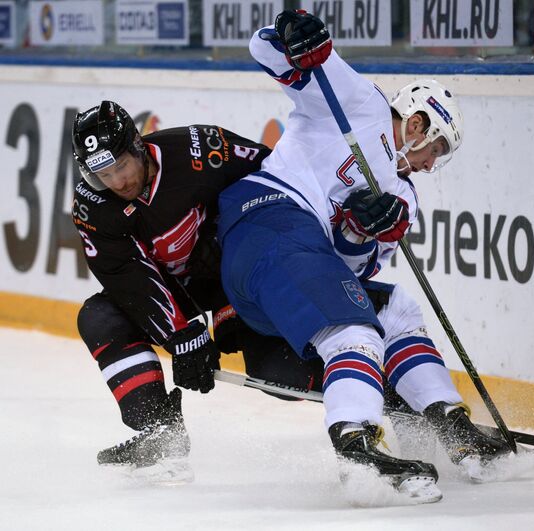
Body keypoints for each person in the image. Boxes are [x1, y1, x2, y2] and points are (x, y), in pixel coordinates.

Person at [216, 10, 511, 501]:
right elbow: (264, 50)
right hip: (265, 223)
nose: (431, 164)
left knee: (395, 309)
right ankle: (357, 446)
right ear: (417, 123)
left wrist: (357, 232)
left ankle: (451, 423)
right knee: (353, 328)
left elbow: (350, 272)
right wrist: (292, 36)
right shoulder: (360, 103)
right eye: (435, 149)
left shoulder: (404, 195)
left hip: (294, 265)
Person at [71, 101, 271, 480]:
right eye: (103, 174)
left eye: (121, 166)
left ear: (137, 146)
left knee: (276, 373)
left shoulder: (199, 150)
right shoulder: (93, 204)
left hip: (236, 276)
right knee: (100, 317)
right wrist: (180, 335)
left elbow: (276, 175)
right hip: (177, 293)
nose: (118, 182)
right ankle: (161, 433)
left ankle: (375, 390)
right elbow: (127, 274)